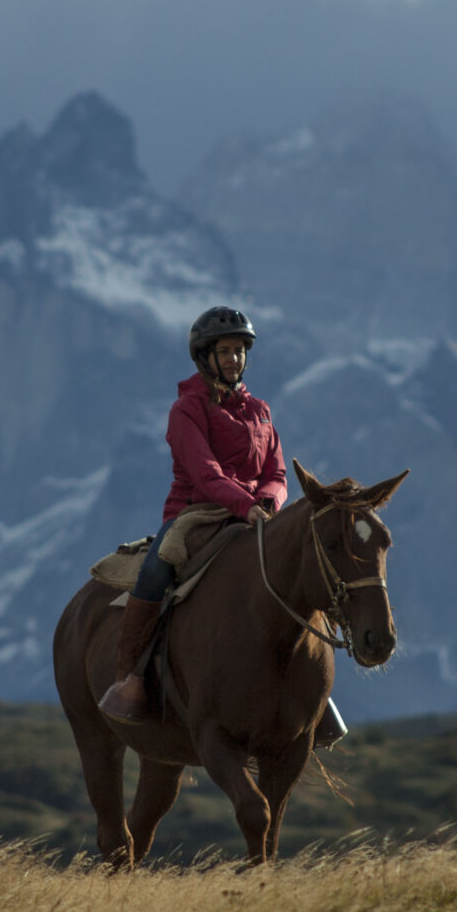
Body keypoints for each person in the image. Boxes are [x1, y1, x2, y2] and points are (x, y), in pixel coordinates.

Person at [98, 306, 290, 723]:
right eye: (225, 350)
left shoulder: (260, 410)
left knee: (301, 568)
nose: (234, 359)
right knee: (155, 570)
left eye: (240, 350)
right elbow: (205, 475)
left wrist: (270, 504)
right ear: (205, 356)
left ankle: (309, 687)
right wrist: (246, 505)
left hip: (254, 514)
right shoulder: (186, 409)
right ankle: (127, 678)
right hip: (196, 512)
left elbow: (277, 471)